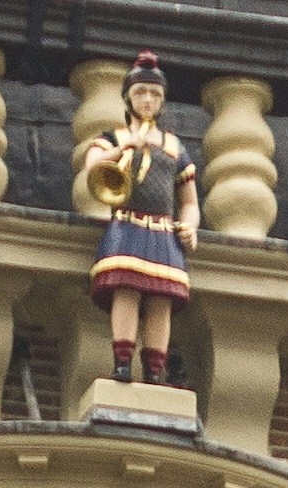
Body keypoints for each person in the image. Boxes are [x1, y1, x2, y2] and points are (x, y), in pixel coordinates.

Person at [79, 54, 199, 395]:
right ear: (128, 97)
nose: (148, 99)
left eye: (155, 94)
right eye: (141, 92)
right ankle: (122, 360)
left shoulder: (174, 147)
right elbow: (91, 168)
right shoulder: (113, 138)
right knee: (127, 291)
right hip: (127, 225)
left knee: (161, 300)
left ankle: (154, 369)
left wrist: (190, 225)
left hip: (163, 231)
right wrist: (126, 147)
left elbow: (189, 200)